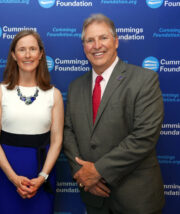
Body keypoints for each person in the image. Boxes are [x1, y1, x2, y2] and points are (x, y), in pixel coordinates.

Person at [63, 14, 165, 214]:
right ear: (84, 47)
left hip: (136, 200)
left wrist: (98, 171)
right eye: (89, 40)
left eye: (103, 38)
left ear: (116, 41)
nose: (96, 45)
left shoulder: (144, 80)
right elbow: (68, 132)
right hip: (94, 198)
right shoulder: (75, 87)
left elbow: (144, 136)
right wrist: (83, 175)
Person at [0, 30, 64, 214]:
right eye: (22, 49)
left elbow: (57, 141)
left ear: (40, 54)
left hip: (42, 173)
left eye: (32, 49)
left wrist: (42, 177)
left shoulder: (54, 94)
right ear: (14, 55)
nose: (28, 55)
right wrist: (14, 178)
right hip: (8, 174)